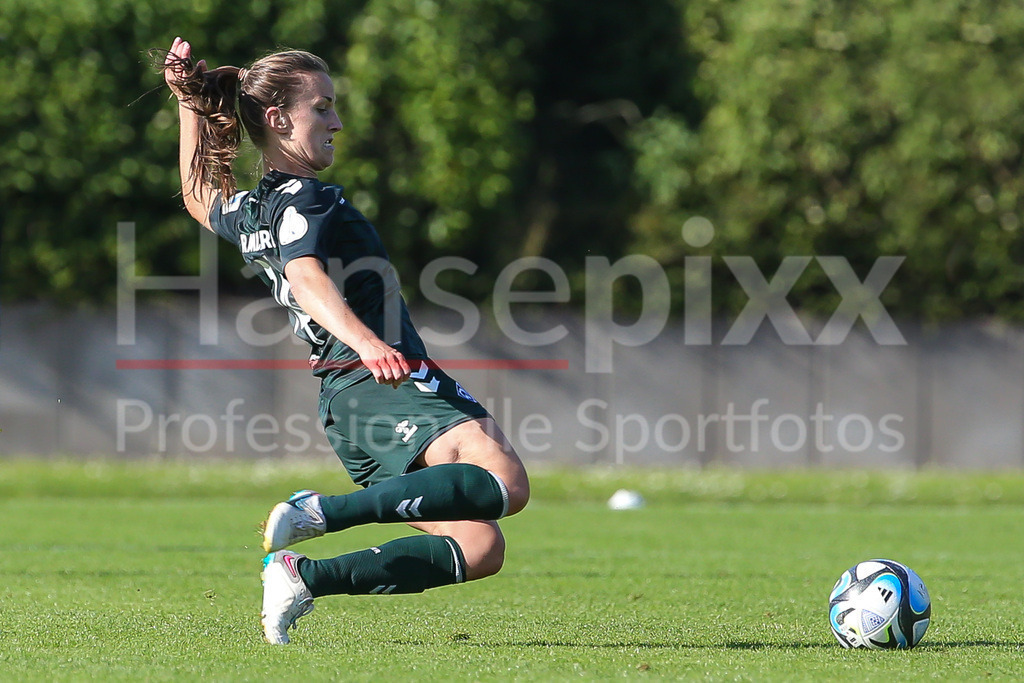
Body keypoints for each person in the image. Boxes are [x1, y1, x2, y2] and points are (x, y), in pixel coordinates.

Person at [158, 37, 530, 645]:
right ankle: (317, 513)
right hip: (373, 377)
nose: (337, 120)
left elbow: (201, 199)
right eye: (322, 107)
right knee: (506, 480)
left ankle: (299, 576)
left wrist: (187, 105)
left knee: (480, 545)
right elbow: (306, 277)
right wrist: (367, 343)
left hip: (345, 401)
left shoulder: (258, 209)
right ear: (279, 119)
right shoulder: (308, 196)